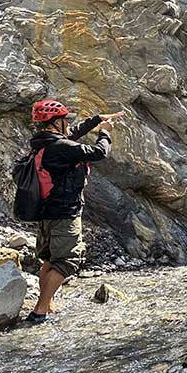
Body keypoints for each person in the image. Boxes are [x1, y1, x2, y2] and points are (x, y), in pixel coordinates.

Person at [26, 100, 121, 324]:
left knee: (50, 259)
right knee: (67, 261)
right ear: (55, 123)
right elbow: (99, 152)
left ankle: (46, 303)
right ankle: (39, 311)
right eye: (65, 120)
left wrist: (96, 120)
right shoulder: (61, 147)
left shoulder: (42, 142)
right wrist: (105, 133)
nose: (68, 123)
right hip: (64, 213)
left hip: (47, 212)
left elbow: (72, 134)